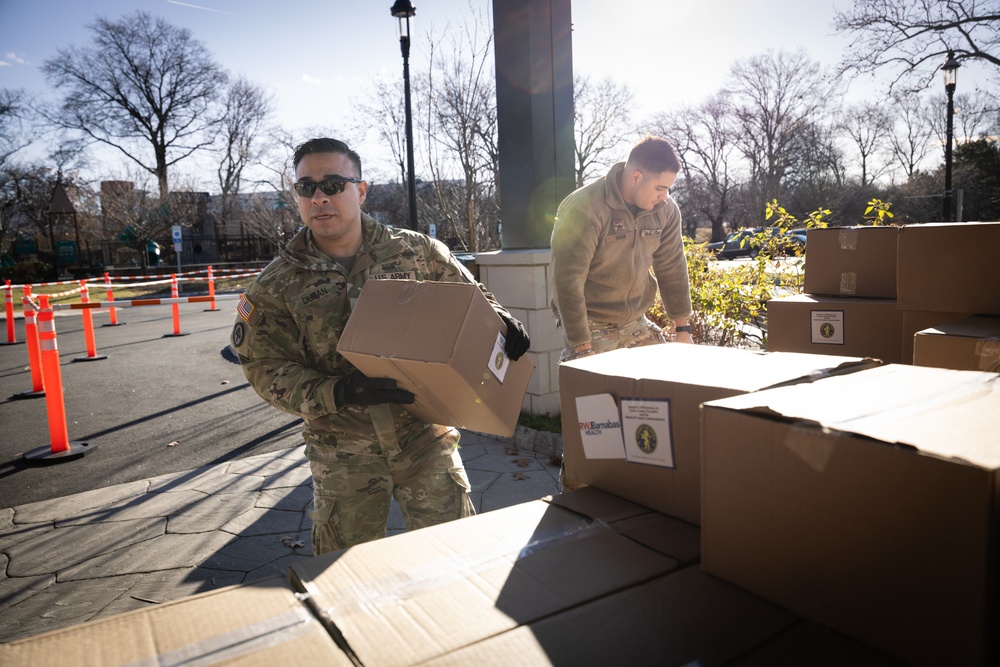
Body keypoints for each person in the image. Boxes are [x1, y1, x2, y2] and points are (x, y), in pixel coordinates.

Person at [231, 138, 530, 555]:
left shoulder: (416, 251)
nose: (319, 197)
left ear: (361, 190)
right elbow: (264, 367)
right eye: (306, 187)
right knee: (345, 577)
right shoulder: (276, 284)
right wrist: (340, 391)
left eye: (333, 183)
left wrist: (502, 321)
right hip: (343, 451)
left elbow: (471, 297)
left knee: (459, 556)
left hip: (424, 435)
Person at [550, 135, 694, 362]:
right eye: (660, 187)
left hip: (635, 320)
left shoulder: (665, 209)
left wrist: (682, 329)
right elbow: (567, 280)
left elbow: (672, 265)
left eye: (668, 189)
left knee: (665, 387)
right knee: (596, 395)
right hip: (591, 324)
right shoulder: (584, 207)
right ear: (636, 177)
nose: (664, 196)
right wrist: (582, 347)